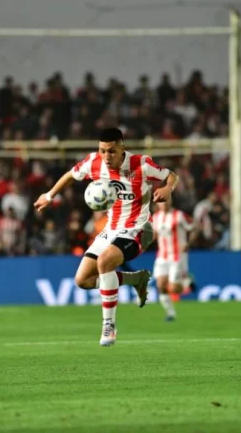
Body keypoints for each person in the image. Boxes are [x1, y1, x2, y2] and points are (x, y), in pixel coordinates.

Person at [34, 127, 178, 346]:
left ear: (122, 148)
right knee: (82, 280)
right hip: (111, 229)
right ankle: (136, 279)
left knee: (105, 261)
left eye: (111, 151)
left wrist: (168, 189)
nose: (106, 157)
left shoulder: (142, 164)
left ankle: (108, 326)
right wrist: (49, 195)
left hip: (139, 228)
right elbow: (70, 175)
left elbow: (171, 176)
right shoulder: (93, 163)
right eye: (102, 151)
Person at [151, 198, 198, 321]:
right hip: (161, 256)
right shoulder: (155, 217)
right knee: (160, 285)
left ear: (170, 202)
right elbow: (155, 235)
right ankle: (170, 313)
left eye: (166, 201)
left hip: (176, 256)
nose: (164, 204)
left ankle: (188, 283)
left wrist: (188, 243)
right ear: (157, 204)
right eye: (161, 202)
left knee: (173, 289)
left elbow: (195, 226)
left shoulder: (179, 215)